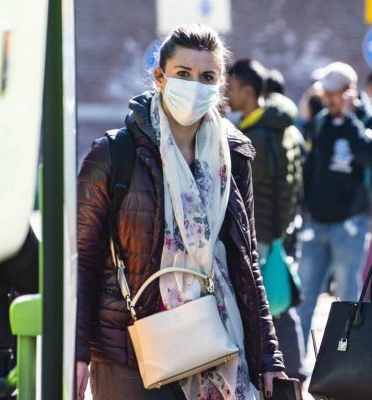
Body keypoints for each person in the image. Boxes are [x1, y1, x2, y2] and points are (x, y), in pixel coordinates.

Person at [76, 24, 286, 400]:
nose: (195, 86)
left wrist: (269, 357)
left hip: (217, 344)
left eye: (208, 77)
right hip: (131, 353)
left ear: (221, 85)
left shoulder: (234, 157)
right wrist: (75, 354)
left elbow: (245, 262)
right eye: (183, 75)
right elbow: (82, 261)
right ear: (160, 77)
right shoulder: (112, 155)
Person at [227, 61, 306, 382]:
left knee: (264, 305)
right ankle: (294, 372)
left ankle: (279, 373)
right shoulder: (283, 129)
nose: (226, 95)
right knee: (278, 305)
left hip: (259, 235)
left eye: (230, 88)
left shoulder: (252, 138)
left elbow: (250, 196)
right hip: (279, 234)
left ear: (248, 91)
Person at [297, 61, 372, 348]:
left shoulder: (364, 121)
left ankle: (345, 365)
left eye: (333, 93)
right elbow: (311, 165)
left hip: (350, 224)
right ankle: (296, 369)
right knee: (305, 299)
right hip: (317, 223)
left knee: (348, 301)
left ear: (349, 91)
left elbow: (367, 156)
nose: (327, 99)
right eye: (325, 93)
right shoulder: (322, 122)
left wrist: (352, 118)